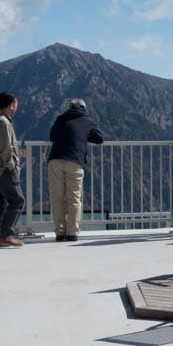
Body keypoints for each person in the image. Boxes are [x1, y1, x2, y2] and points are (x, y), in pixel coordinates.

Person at [47, 98, 104, 242]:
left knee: (57, 199)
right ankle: (72, 233)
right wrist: (84, 136)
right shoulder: (88, 121)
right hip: (75, 161)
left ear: (70, 107)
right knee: (74, 199)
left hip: (55, 159)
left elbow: (52, 136)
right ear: (84, 108)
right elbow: (100, 138)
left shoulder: (60, 118)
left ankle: (60, 233)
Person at [0, 92, 25, 247]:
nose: (17, 107)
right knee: (17, 200)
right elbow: (6, 146)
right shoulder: (3, 123)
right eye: (16, 104)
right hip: (4, 169)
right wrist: (10, 162)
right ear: (11, 105)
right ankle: (6, 235)